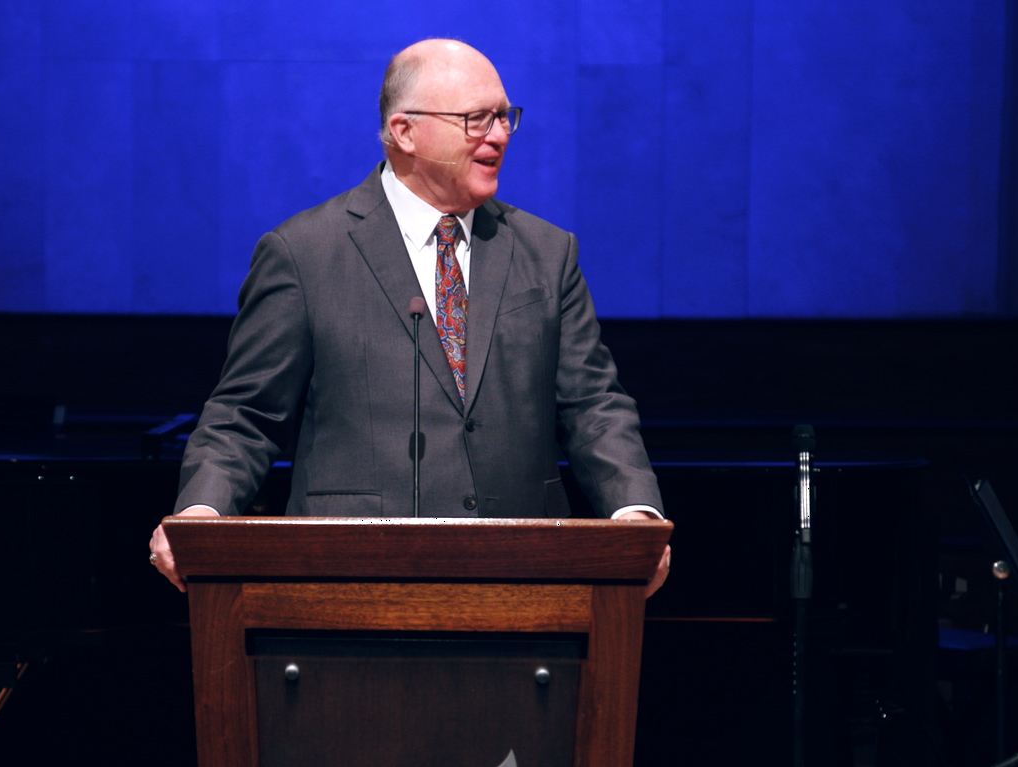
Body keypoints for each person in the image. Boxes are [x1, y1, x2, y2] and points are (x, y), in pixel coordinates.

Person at [148, 38, 669, 595]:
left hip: (522, 577)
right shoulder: (304, 254)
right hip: (348, 581)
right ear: (405, 132)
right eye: (475, 119)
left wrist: (635, 512)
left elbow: (593, 405)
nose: (498, 134)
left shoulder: (547, 252)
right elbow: (246, 415)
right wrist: (201, 512)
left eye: (504, 116)